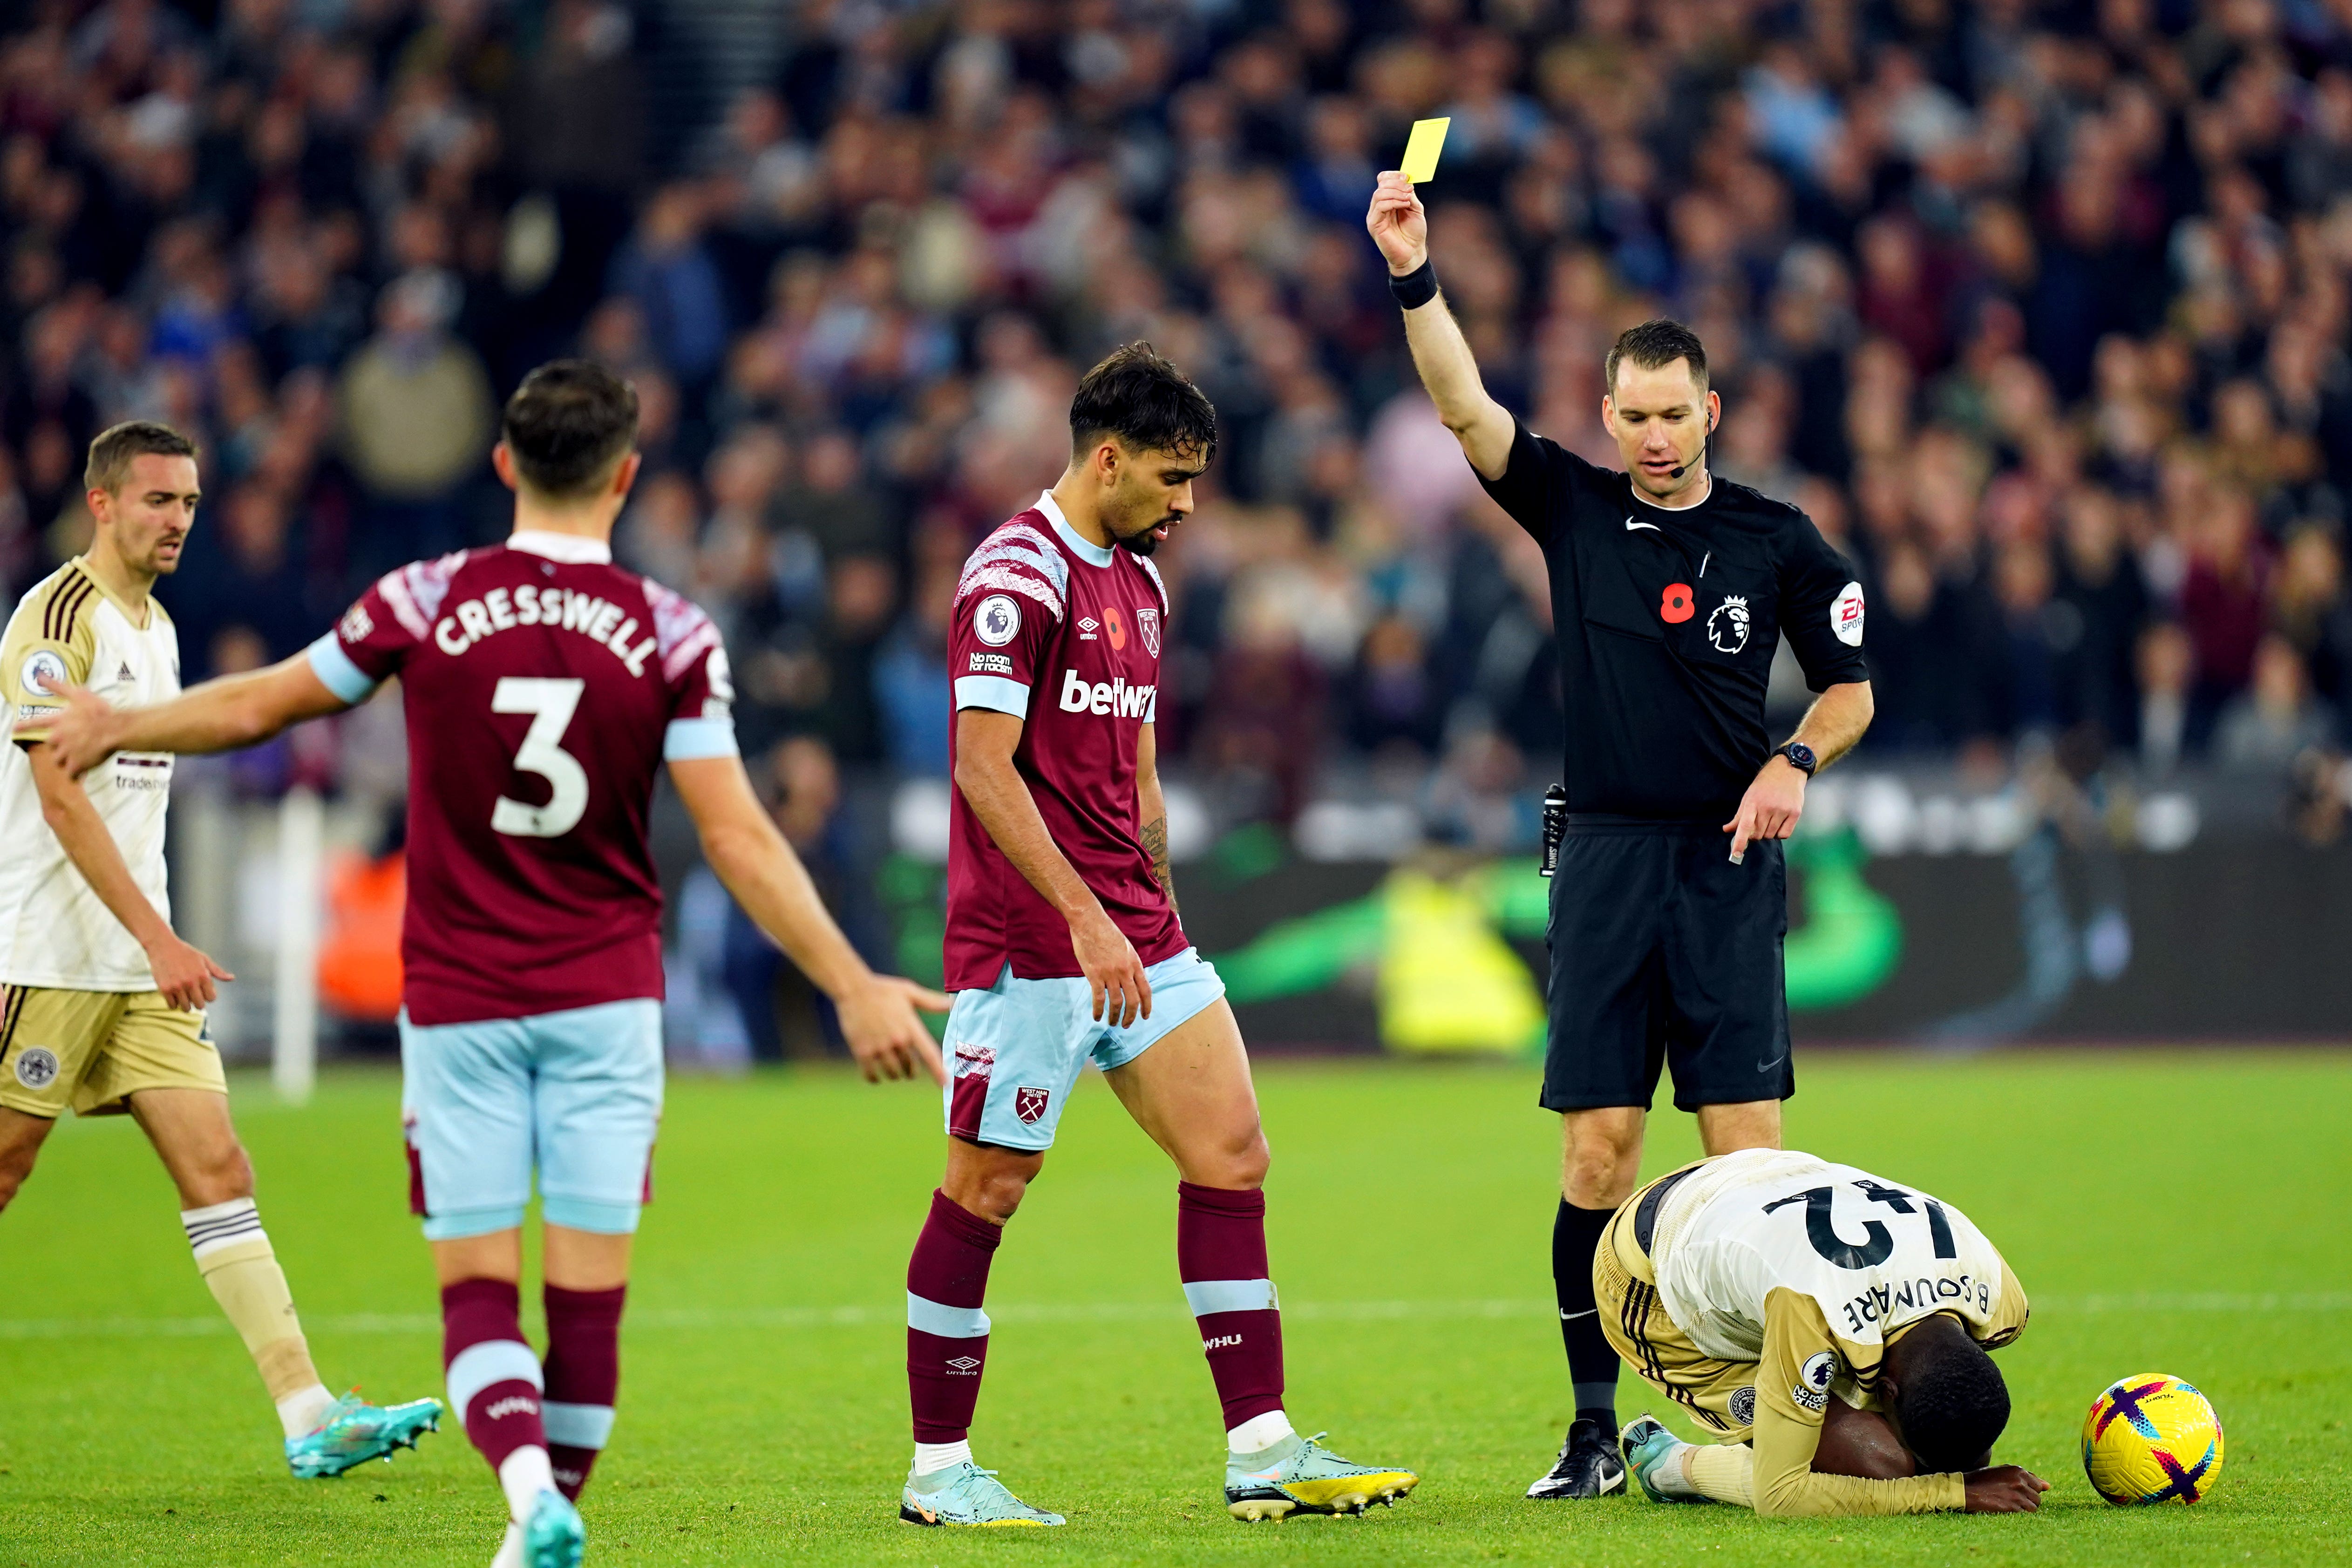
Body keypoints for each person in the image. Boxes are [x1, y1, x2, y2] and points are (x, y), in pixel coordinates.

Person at [31, 365, 949, 1568]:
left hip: (461, 997)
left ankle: (524, 1494)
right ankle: (541, 1506)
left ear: (506, 464)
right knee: (586, 1299)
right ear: (626, 475)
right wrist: (851, 978)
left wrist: (122, 721)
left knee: (475, 1286)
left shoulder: (422, 595)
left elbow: (265, 704)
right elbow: (735, 830)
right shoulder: (674, 630)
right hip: (609, 997)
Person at [1368, 170, 1878, 1500]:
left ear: (1710, 409)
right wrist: (1415, 274)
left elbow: (1854, 689)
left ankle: (1787, 1414)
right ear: (1609, 414)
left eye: (1673, 414)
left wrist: (1793, 758)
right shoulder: (1575, 506)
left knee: (1748, 1165)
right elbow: (1461, 406)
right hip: (1599, 858)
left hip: (1724, 865)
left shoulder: (1777, 541)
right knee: (1599, 1151)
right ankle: (1593, 1426)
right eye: (1632, 415)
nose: (1653, 436)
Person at [896, 343, 1418, 1528]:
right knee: (986, 1189)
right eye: (1173, 479)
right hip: (1033, 942)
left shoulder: (1143, 582)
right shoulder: (1013, 577)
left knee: (1233, 1152)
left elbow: (1131, 768)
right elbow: (981, 767)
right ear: (1109, 458)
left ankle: (1263, 1448)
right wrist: (1081, 916)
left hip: (1136, 930)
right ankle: (938, 1471)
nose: (1187, 505)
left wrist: (1153, 903)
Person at [0, 421, 442, 1479]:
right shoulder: (59, 618)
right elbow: (58, 796)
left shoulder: (154, 628)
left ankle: (307, 1412)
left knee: (219, 1168)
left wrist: (153, 939)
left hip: (140, 961)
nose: (179, 521)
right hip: (50, 955)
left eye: (190, 504)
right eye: (159, 501)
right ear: (101, 503)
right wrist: (159, 937)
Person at [1597, 1147, 2049, 1518]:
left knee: (1957, 1455)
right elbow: (1781, 1497)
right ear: (1885, 1390)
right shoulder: (1811, 1312)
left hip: (1759, 1189)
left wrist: (1962, 1469)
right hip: (1652, 1266)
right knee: (1880, 1468)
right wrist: (1953, 1491)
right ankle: (1669, 1464)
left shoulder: (1997, 1294)